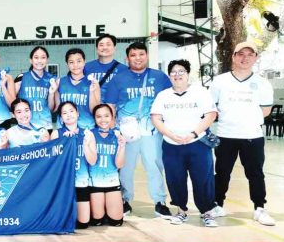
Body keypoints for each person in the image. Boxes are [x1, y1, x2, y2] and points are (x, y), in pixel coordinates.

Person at [209, 41, 276, 226]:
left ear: (255, 58)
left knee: (255, 173)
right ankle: (217, 204)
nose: (245, 58)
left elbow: (266, 109)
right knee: (222, 172)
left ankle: (259, 208)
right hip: (225, 135)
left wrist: (247, 119)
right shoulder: (220, 81)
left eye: (249, 54)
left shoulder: (262, 83)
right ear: (233, 57)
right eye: (240, 54)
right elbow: (211, 107)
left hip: (252, 136)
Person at [103, 42, 172, 218]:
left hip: (151, 130)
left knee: (154, 165)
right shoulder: (118, 79)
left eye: (141, 54)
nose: (138, 58)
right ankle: (125, 200)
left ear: (147, 56)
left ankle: (159, 201)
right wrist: (114, 129)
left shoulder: (160, 77)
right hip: (127, 131)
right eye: (133, 55)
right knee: (125, 167)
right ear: (127, 58)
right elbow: (110, 106)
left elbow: (169, 103)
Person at [151, 59, 218, 227]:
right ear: (169, 75)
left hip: (198, 143)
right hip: (171, 145)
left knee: (203, 178)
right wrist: (171, 135)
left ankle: (207, 212)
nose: (177, 75)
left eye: (181, 71)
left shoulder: (200, 92)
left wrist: (193, 133)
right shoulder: (163, 95)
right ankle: (181, 211)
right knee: (175, 178)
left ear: (188, 74)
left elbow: (211, 115)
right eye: (173, 72)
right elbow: (156, 118)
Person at [50, 102, 96, 229]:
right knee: (62, 223)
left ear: (77, 113)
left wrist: (86, 145)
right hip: (63, 184)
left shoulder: (87, 134)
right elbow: (52, 163)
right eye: (64, 113)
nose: (68, 115)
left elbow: (92, 161)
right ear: (61, 118)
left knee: (83, 223)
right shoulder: (56, 134)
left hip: (81, 182)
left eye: (71, 111)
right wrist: (63, 143)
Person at [89, 104, 126, 226]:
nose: (103, 119)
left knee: (116, 222)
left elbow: (119, 164)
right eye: (98, 116)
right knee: (97, 221)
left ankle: (108, 209)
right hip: (95, 183)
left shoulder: (117, 135)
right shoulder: (90, 134)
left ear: (112, 117)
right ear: (94, 118)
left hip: (112, 182)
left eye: (106, 116)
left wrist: (122, 146)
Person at [15, 46, 57, 131]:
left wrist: (52, 93)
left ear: (47, 60)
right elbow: (12, 101)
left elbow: (51, 108)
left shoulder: (51, 79)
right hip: (26, 124)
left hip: (45, 125)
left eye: (43, 57)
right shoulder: (21, 77)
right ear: (31, 60)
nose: (39, 61)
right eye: (36, 57)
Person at [56, 48, 100, 129]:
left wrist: (91, 91)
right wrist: (53, 92)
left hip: (86, 128)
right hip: (65, 130)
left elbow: (95, 111)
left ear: (84, 62)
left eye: (79, 61)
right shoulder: (60, 82)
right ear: (67, 64)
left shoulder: (93, 83)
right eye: (71, 62)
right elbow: (56, 108)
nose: (75, 65)